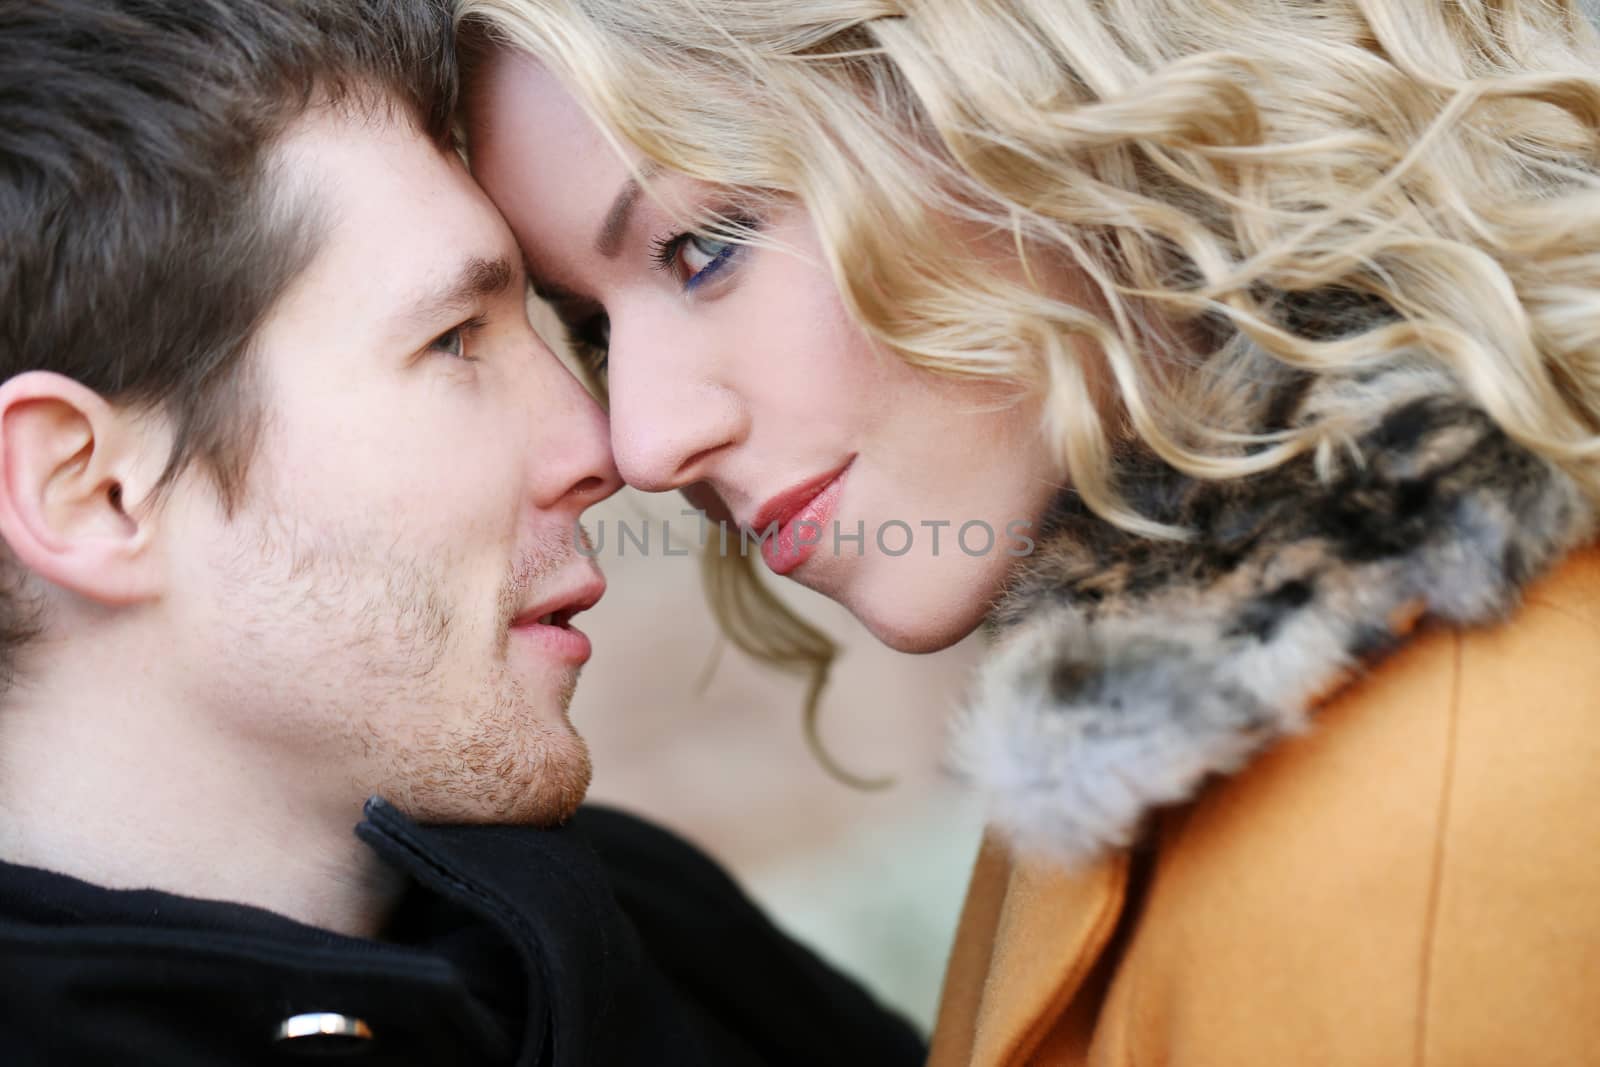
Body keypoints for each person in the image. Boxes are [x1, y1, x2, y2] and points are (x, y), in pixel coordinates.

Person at [455, 1, 1600, 1063]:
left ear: (1017, 96)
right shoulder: (1156, 709)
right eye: (593, 327)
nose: (647, 443)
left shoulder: (1444, 797)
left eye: (706, 247)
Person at [0, 2, 927, 1064]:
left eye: (551, 330)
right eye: (452, 340)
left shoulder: (646, 927)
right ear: (92, 491)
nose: (610, 444)